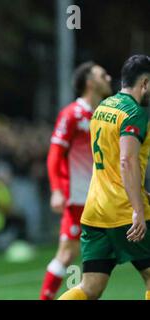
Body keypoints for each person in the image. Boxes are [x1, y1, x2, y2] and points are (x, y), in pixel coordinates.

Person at [58, 54, 150, 300]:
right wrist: (138, 208)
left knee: (90, 287)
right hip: (123, 209)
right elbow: (126, 160)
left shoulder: (102, 108)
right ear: (145, 83)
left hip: (95, 210)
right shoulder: (135, 113)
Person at [40, 62, 112, 300]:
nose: (109, 78)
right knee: (68, 254)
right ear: (90, 82)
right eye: (103, 75)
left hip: (101, 200)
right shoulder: (72, 114)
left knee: (92, 257)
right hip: (78, 197)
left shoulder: (103, 115)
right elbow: (55, 153)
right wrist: (57, 190)